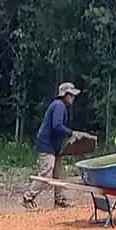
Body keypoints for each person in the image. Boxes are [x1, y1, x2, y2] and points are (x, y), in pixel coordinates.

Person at [22, 81, 82, 209]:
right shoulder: (59, 106)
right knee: (46, 173)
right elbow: (57, 126)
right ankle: (27, 197)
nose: (73, 97)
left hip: (54, 146)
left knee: (59, 172)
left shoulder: (60, 106)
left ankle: (59, 200)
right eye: (71, 95)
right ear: (65, 95)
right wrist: (72, 133)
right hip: (47, 145)